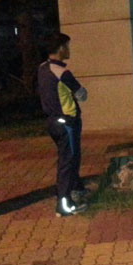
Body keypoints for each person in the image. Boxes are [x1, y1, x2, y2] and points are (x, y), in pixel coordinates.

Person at [37, 32, 89, 217]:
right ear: (60, 48)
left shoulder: (42, 68)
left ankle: (77, 188)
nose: (69, 49)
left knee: (68, 156)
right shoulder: (62, 73)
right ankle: (64, 204)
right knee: (69, 160)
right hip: (67, 122)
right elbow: (82, 94)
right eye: (67, 46)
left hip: (52, 121)